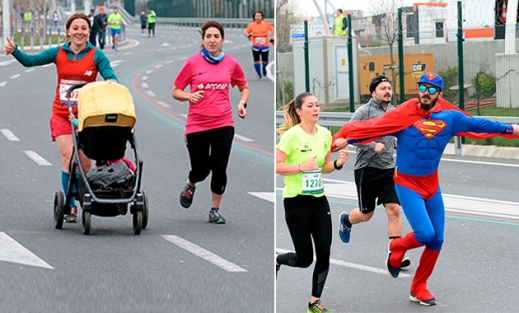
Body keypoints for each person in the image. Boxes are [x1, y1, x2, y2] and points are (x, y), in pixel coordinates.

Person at [331, 72, 519, 306]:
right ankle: (396, 246)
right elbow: (372, 126)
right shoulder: (404, 114)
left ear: (439, 94)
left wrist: (511, 129)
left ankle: (418, 286)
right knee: (424, 234)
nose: (426, 93)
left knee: (437, 239)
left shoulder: (450, 118)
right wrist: (344, 138)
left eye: (432, 90)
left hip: (431, 185)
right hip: (406, 183)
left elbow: (480, 124)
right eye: (422, 88)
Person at [3, 13, 117, 223]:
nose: (79, 32)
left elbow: (111, 77)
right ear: (68, 31)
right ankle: (70, 204)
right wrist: (15, 51)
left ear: (88, 31)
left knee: (84, 164)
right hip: (62, 115)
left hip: (87, 119)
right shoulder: (59, 53)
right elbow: (30, 61)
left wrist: (110, 83)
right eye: (75, 28)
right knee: (68, 157)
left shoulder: (96, 55)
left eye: (83, 28)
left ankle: (81, 194)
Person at [276, 92, 348, 313]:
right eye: (310, 105)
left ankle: (314, 301)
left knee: (324, 250)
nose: (316, 109)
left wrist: (336, 164)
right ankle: (278, 259)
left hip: (318, 200)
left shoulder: (325, 134)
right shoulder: (292, 136)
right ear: (299, 111)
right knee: (305, 259)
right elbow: (277, 166)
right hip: (296, 202)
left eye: (317, 105)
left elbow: (323, 166)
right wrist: (300, 167)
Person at [171, 20, 250, 224]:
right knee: (201, 169)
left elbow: (244, 86)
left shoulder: (231, 63)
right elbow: (175, 91)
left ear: (223, 40)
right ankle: (191, 183)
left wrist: (242, 103)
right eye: (208, 36)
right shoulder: (192, 63)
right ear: (203, 39)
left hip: (224, 122)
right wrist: (189, 96)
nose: (212, 40)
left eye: (216, 37)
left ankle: (215, 209)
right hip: (197, 124)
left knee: (219, 166)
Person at [336, 75, 411, 269]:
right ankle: (346, 220)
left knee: (394, 210)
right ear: (373, 93)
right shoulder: (364, 111)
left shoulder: (394, 111)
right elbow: (348, 135)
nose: (388, 91)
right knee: (366, 214)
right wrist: (371, 145)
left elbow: (399, 132)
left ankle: (395, 255)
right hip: (366, 169)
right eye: (383, 88)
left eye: (389, 88)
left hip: (388, 170)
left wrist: (396, 141)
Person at [244, 11, 274, 79]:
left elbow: (273, 30)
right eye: (256, 16)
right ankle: (259, 74)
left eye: (259, 16)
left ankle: (264, 68)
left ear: (262, 16)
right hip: (255, 45)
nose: (257, 17)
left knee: (265, 61)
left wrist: (273, 37)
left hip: (265, 45)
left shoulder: (266, 23)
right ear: (254, 17)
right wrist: (248, 35)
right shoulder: (251, 25)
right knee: (256, 61)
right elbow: (246, 31)